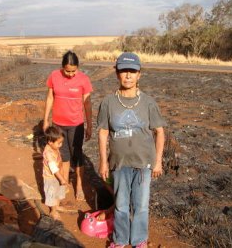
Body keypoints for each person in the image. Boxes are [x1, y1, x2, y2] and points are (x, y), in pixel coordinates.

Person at [97, 52, 166, 248]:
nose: (128, 75)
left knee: (141, 205)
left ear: (139, 75)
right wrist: (103, 162)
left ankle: (139, 241)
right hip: (119, 164)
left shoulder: (148, 102)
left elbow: (160, 132)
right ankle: (119, 240)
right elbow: (103, 133)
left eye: (132, 71)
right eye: (124, 71)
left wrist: (158, 161)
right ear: (116, 73)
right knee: (120, 205)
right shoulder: (108, 103)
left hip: (144, 163)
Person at [43, 50, 93, 201]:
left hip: (75, 124)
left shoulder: (84, 79)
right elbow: (50, 97)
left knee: (77, 155)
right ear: (62, 67)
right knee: (62, 154)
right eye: (67, 70)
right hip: (58, 124)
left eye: (74, 71)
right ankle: (64, 181)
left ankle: (79, 186)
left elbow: (87, 103)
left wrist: (89, 125)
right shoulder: (54, 76)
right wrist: (45, 119)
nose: (71, 74)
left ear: (78, 67)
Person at [42, 125, 68, 220]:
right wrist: (62, 179)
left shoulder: (53, 147)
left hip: (58, 175)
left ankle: (56, 206)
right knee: (52, 193)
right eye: (59, 143)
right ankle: (53, 211)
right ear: (50, 142)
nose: (60, 145)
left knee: (58, 191)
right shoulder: (48, 153)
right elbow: (53, 168)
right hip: (51, 178)